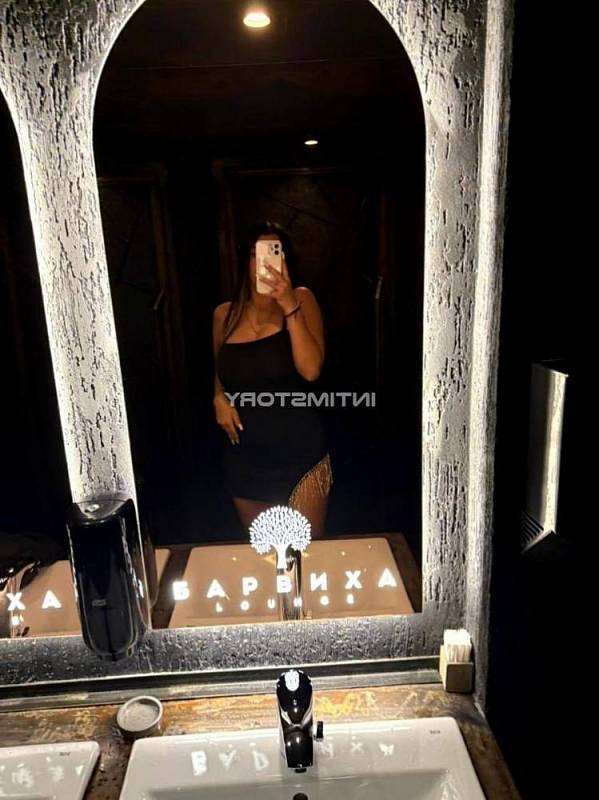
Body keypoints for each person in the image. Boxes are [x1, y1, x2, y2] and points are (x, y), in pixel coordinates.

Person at [212, 221, 332, 537]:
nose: (264, 262)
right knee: (263, 554)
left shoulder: (302, 299)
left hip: (300, 456)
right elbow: (220, 370)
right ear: (245, 260)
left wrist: (288, 304)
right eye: (256, 254)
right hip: (245, 459)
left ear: (284, 259)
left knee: (306, 553)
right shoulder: (224, 315)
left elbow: (311, 370)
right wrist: (218, 396)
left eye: (272, 252)